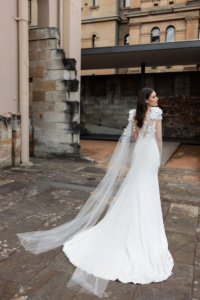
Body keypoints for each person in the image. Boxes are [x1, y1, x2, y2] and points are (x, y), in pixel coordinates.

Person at [17, 87, 174, 298]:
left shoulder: (134, 114)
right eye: (154, 96)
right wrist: (159, 158)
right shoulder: (156, 113)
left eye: (156, 96)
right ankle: (143, 229)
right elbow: (159, 139)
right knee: (146, 189)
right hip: (151, 155)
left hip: (139, 155)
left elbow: (137, 139)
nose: (157, 98)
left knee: (135, 188)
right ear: (146, 100)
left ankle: (129, 222)